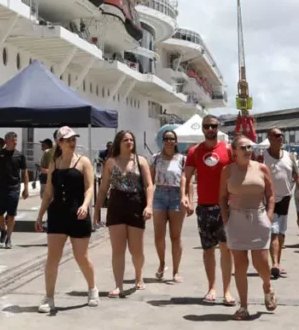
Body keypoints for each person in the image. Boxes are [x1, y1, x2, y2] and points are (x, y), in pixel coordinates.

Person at [36, 126, 99, 312]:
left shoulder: (83, 162)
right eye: (69, 139)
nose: (73, 142)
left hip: (78, 214)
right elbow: (48, 192)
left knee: (81, 257)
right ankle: (49, 298)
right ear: (59, 143)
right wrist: (40, 215)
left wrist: (85, 205)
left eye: (74, 139)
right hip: (57, 214)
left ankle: (92, 288)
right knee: (52, 258)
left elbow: (89, 188)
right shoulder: (54, 163)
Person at [181, 114, 235, 305]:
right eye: (207, 126)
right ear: (202, 129)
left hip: (225, 206)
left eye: (213, 126)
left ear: (218, 128)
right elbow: (186, 177)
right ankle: (211, 288)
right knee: (207, 250)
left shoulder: (228, 150)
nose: (210, 129)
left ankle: (227, 291)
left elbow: (237, 174)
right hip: (204, 207)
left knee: (226, 249)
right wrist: (185, 197)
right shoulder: (194, 151)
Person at [221, 136, 276, 320]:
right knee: (240, 264)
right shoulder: (227, 171)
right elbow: (222, 197)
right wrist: (226, 218)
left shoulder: (261, 168)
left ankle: (267, 286)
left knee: (261, 262)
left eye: (249, 146)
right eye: (243, 147)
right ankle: (243, 306)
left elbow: (270, 195)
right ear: (234, 151)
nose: (247, 149)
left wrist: (268, 216)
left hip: (258, 218)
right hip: (236, 219)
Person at [95, 130, 154, 297]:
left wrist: (149, 206)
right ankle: (118, 285)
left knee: (136, 250)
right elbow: (104, 188)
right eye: (125, 140)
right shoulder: (110, 162)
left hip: (136, 203)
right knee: (118, 249)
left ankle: (138, 276)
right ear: (118, 143)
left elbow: (149, 185)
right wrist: (97, 210)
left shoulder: (140, 161)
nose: (129, 142)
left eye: (131, 139)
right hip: (116, 204)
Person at [263, 128, 299, 277]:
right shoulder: (262, 156)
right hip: (268, 199)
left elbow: (297, 176)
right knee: (273, 231)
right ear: (269, 138)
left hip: (285, 198)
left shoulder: (289, 156)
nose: (279, 137)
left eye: (281, 135)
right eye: (276, 135)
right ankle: (274, 264)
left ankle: (278, 263)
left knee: (281, 233)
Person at [151, 128, 186, 283]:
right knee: (159, 235)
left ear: (176, 141)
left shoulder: (182, 159)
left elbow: (187, 180)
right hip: (159, 194)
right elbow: (150, 181)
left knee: (175, 236)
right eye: (166, 138)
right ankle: (162, 263)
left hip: (176, 195)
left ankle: (176, 270)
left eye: (172, 139)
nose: (169, 141)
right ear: (162, 141)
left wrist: (187, 198)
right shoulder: (155, 158)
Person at [0, 132, 30, 249]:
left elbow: (25, 173)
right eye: (13, 140)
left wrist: (26, 188)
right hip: (0, 187)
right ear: (7, 141)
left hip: (14, 188)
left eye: (16, 140)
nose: (15, 142)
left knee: (11, 215)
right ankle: (3, 229)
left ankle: (8, 238)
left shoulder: (20, 156)